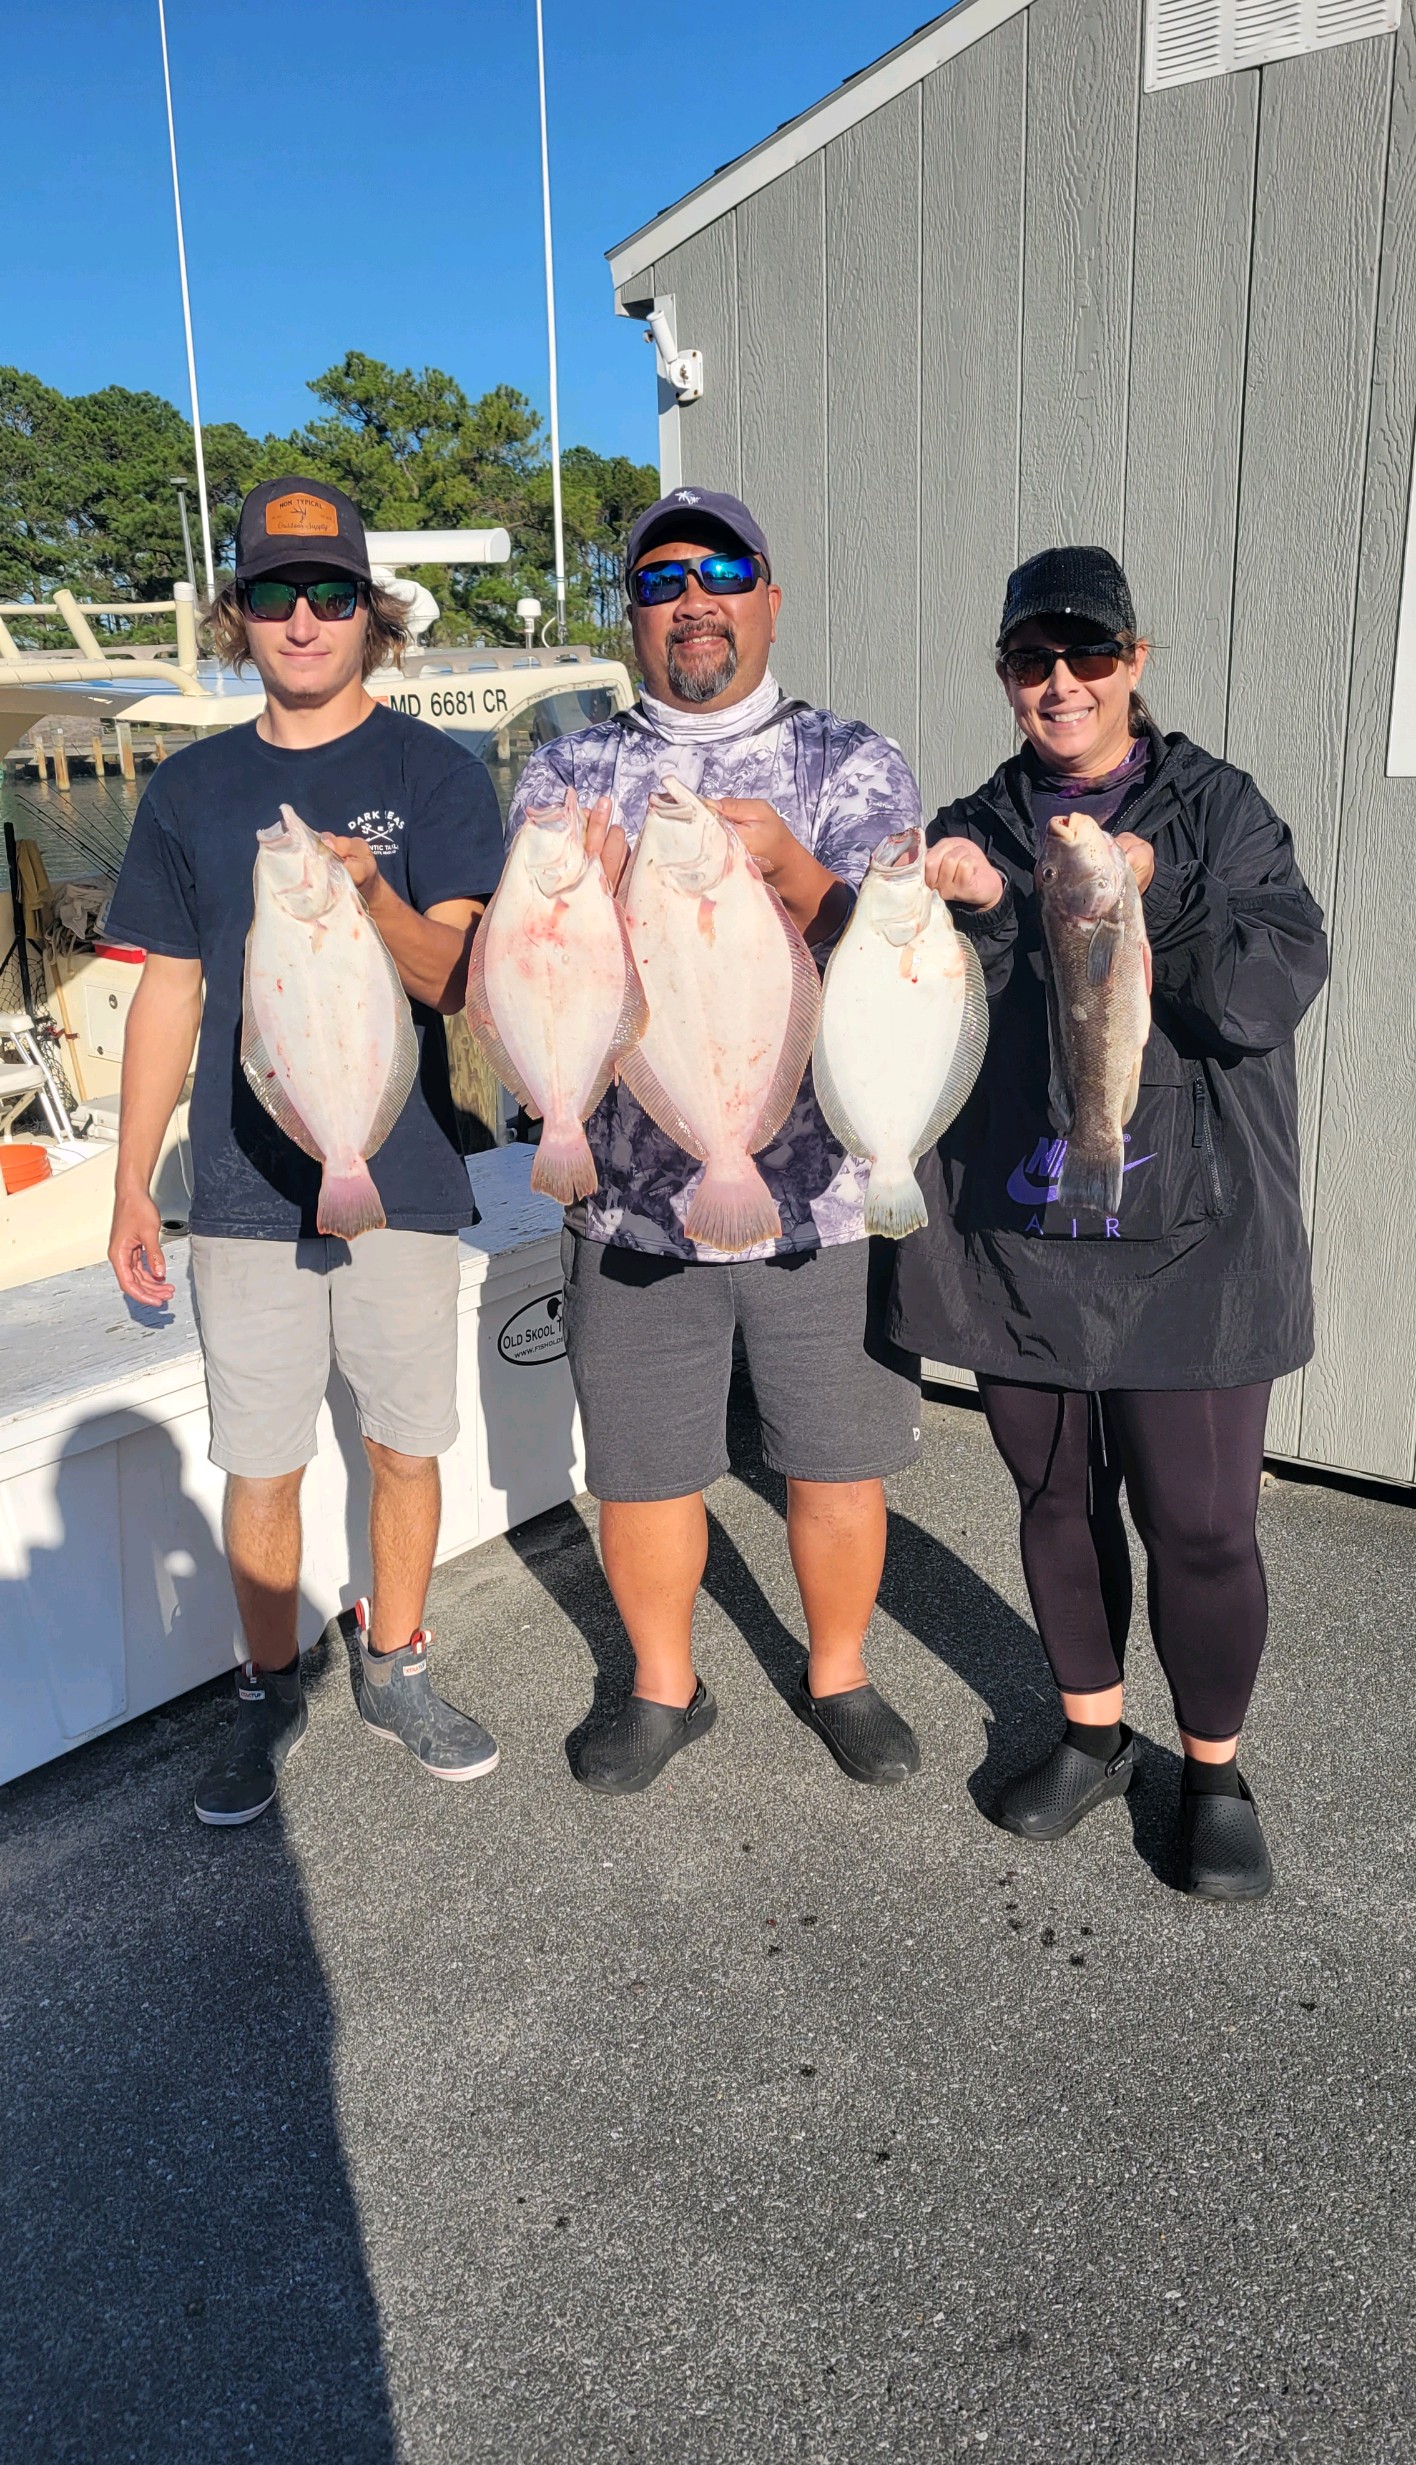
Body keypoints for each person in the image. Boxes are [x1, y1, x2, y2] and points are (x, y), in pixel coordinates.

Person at [892, 545, 1328, 1900]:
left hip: (1194, 1242)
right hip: (1023, 1241)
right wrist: (929, 906)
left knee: (1200, 1524)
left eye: (1089, 654)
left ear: (1136, 660)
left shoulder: (1218, 809)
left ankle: (1213, 1768)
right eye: (1035, 659)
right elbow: (907, 1013)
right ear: (1007, 676)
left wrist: (1162, 887)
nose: (1062, 682)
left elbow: (1270, 984)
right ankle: (1091, 1730)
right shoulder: (979, 819)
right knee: (1056, 1498)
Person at [509, 487, 925, 1795]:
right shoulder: (569, 770)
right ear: (632, 614)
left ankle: (841, 1670)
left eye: (723, 568)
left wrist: (801, 875)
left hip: (821, 1198)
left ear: (768, 598)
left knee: (837, 1460)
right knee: (644, 1470)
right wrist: (577, 885)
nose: (693, 596)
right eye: (660, 578)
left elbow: (906, 961)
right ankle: (661, 1686)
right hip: (628, 1204)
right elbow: (529, 971)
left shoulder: (858, 764)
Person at [106, 475, 506, 1828]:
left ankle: (395, 1660)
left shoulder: (434, 776)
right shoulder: (189, 790)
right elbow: (170, 992)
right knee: (260, 1457)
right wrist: (126, 1188)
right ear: (238, 615)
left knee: (405, 1441)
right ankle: (269, 1684)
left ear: (371, 616)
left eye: (330, 593)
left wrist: (376, 894)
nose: (302, 619)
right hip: (236, 1188)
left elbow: (456, 979)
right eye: (273, 594)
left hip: (396, 1173)